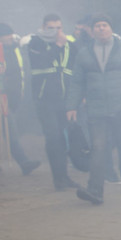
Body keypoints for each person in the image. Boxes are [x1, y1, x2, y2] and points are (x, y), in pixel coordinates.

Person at [65, 14, 121, 204]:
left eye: (105, 25)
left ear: (111, 29)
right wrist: (71, 105)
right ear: (92, 31)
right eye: (97, 26)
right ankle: (95, 191)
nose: (101, 28)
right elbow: (76, 82)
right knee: (98, 148)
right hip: (96, 110)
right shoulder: (84, 53)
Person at [28, 13, 78, 190]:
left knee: (63, 140)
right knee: (53, 138)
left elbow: (74, 71)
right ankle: (58, 179)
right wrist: (57, 46)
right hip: (44, 100)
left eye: (59, 28)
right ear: (43, 28)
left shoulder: (70, 46)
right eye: (51, 28)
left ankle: (64, 177)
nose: (56, 31)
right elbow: (41, 63)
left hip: (64, 100)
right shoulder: (35, 42)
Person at [0, 22, 42, 176]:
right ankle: (24, 162)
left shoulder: (15, 48)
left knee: (10, 130)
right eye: (6, 35)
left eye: (10, 34)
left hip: (10, 97)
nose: (10, 37)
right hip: (1, 96)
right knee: (10, 129)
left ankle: (24, 163)